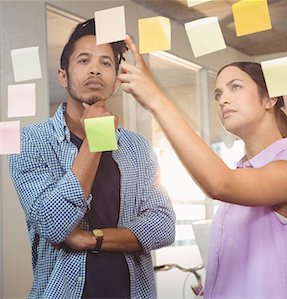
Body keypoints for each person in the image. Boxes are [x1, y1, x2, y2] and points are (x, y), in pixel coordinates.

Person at [119, 35, 287, 298]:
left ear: (269, 99)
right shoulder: (245, 174)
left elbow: (219, 184)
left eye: (235, 87)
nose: (222, 100)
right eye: (219, 93)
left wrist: (157, 100)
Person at [8, 19, 175, 299]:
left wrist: (90, 239)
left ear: (116, 80)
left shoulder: (138, 147)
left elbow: (163, 226)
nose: (95, 69)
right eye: (84, 60)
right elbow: (54, 224)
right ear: (63, 76)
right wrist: (96, 139)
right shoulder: (29, 142)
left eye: (106, 63)